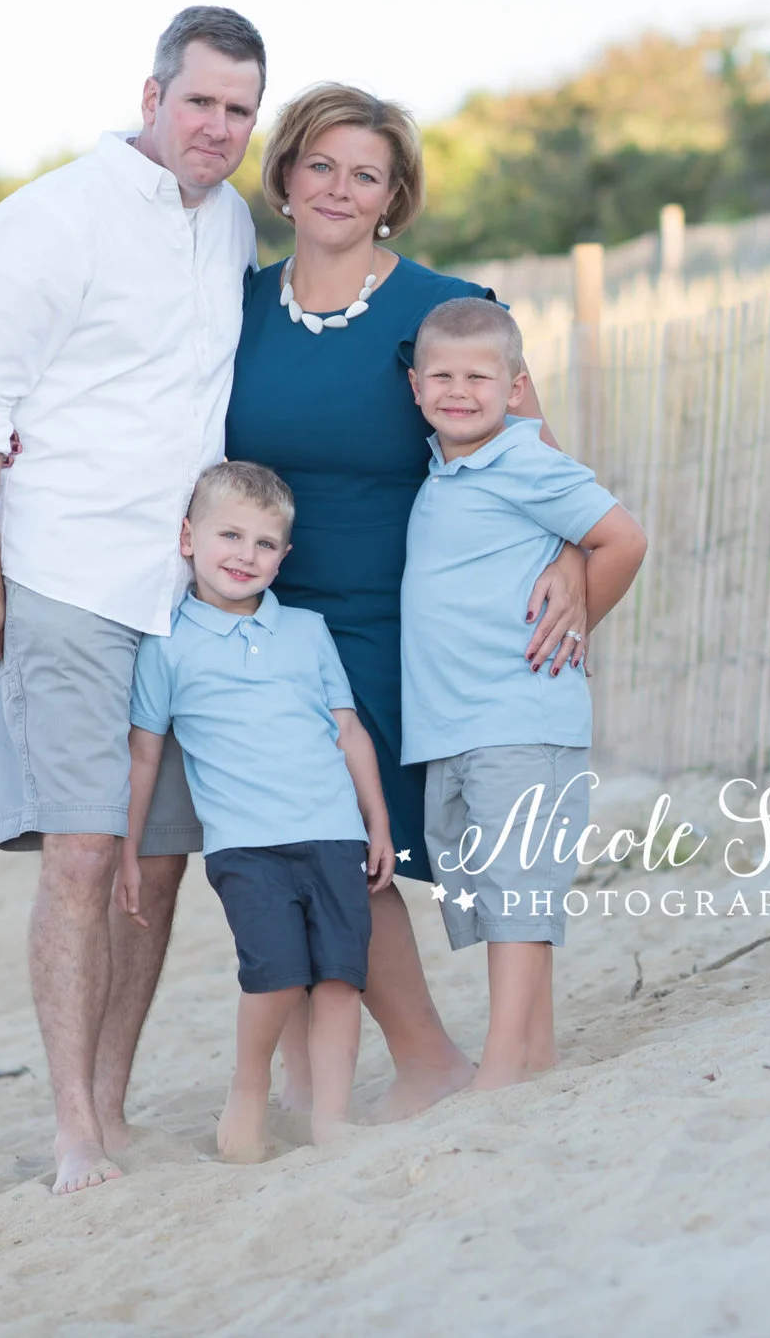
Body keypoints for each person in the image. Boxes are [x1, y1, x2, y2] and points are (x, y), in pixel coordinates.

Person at [0, 6, 263, 1195]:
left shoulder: (228, 228)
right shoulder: (50, 220)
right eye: (200, 102)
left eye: (238, 110)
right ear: (151, 94)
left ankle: (113, 1103)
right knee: (82, 849)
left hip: (177, 595)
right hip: (62, 577)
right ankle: (71, 1129)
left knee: (159, 858)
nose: (217, 127)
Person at [224, 82, 591, 1120]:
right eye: (322, 166)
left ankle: (527, 1044)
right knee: (331, 835)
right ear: (287, 176)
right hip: (286, 618)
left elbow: (533, 450)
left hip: (431, 611)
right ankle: (426, 1056)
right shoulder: (238, 307)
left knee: (482, 817)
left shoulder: (440, 305)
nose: (341, 189)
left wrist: (567, 555)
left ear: (394, 196)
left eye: (367, 175)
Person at [117, 461, 393, 1162]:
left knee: (339, 976)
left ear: (285, 555)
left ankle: (330, 1115)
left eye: (265, 543)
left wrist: (377, 821)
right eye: (229, 535)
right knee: (274, 975)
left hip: (333, 830)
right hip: (247, 842)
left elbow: (349, 730)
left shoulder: (306, 629)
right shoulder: (167, 642)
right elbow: (146, 752)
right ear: (188, 537)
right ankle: (247, 1090)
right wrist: (128, 847)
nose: (246, 554)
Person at [402, 298, 646, 1088]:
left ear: (517, 389)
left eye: (480, 375)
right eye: (441, 375)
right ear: (414, 387)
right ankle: (535, 1053)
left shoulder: (523, 459)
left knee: (516, 887)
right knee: (498, 885)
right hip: (459, 722)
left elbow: (624, 536)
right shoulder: (446, 468)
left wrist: (577, 626)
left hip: (519, 715)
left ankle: (501, 1066)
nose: (459, 390)